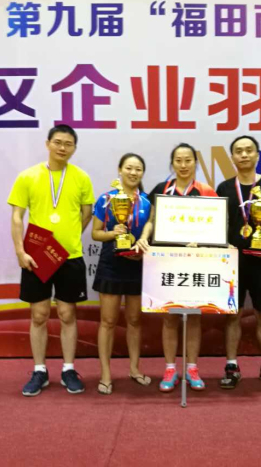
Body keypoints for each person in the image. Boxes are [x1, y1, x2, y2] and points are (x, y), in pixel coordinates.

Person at [8, 124, 95, 397]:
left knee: (68, 314)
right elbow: (17, 217)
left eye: (68, 144)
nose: (62, 148)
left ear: (74, 148)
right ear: (47, 144)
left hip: (70, 257)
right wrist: (20, 251)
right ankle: (39, 370)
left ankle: (69, 369)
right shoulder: (28, 176)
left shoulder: (81, 178)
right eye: (58, 142)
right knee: (39, 314)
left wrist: (69, 238)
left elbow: (87, 213)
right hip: (36, 256)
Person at [215, 135, 261, 390]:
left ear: (257, 155)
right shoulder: (224, 188)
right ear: (232, 157)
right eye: (239, 151)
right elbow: (217, 224)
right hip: (232, 263)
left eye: (249, 150)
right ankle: (231, 366)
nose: (244, 155)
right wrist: (223, 245)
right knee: (232, 316)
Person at [144, 143, 217, 392]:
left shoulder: (206, 191)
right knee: (170, 317)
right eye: (178, 160)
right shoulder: (161, 190)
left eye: (188, 160)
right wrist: (144, 237)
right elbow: (151, 220)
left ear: (195, 163)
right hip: (167, 260)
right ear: (172, 163)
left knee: (194, 317)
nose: (183, 165)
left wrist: (204, 241)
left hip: (197, 261)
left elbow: (217, 226)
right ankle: (170, 368)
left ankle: (192, 368)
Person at [91, 153, 152, 395]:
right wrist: (113, 233)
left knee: (135, 321)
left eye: (138, 169)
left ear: (142, 173)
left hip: (136, 263)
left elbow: (149, 227)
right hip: (111, 264)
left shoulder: (146, 202)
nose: (133, 172)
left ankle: (134, 369)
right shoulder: (106, 200)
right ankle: (105, 374)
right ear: (120, 169)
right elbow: (95, 233)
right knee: (107, 321)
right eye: (129, 168)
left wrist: (143, 240)